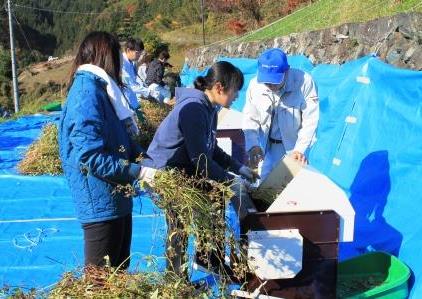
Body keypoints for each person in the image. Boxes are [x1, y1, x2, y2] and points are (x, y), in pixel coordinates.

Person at [144, 61, 257, 276]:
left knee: (215, 195)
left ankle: (208, 258)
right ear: (219, 88)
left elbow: (211, 149)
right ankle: (176, 280)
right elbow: (201, 161)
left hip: (184, 167)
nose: (237, 97)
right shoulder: (194, 109)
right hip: (164, 171)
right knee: (180, 222)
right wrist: (230, 180)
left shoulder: (210, 109)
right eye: (236, 91)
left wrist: (239, 168)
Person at [59, 31, 144, 269]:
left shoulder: (103, 90)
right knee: (100, 282)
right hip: (100, 202)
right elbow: (89, 156)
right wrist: (138, 172)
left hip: (117, 196)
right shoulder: (86, 93)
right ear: (106, 57)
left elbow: (118, 136)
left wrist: (141, 156)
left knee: (118, 271)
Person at [242, 48, 319, 181]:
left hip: (293, 147)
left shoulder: (304, 82)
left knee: (292, 189)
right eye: (266, 81)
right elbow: (250, 118)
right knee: (264, 187)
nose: (270, 85)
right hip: (267, 147)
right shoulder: (255, 86)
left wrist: (300, 150)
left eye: (274, 81)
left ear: (286, 71)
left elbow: (310, 121)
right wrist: (253, 145)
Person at [122, 38, 149, 102]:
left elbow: (134, 79)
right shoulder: (121, 63)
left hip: (131, 99)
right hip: (125, 100)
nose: (139, 55)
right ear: (128, 50)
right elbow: (131, 85)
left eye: (141, 53)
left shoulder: (132, 62)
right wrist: (149, 91)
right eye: (137, 53)